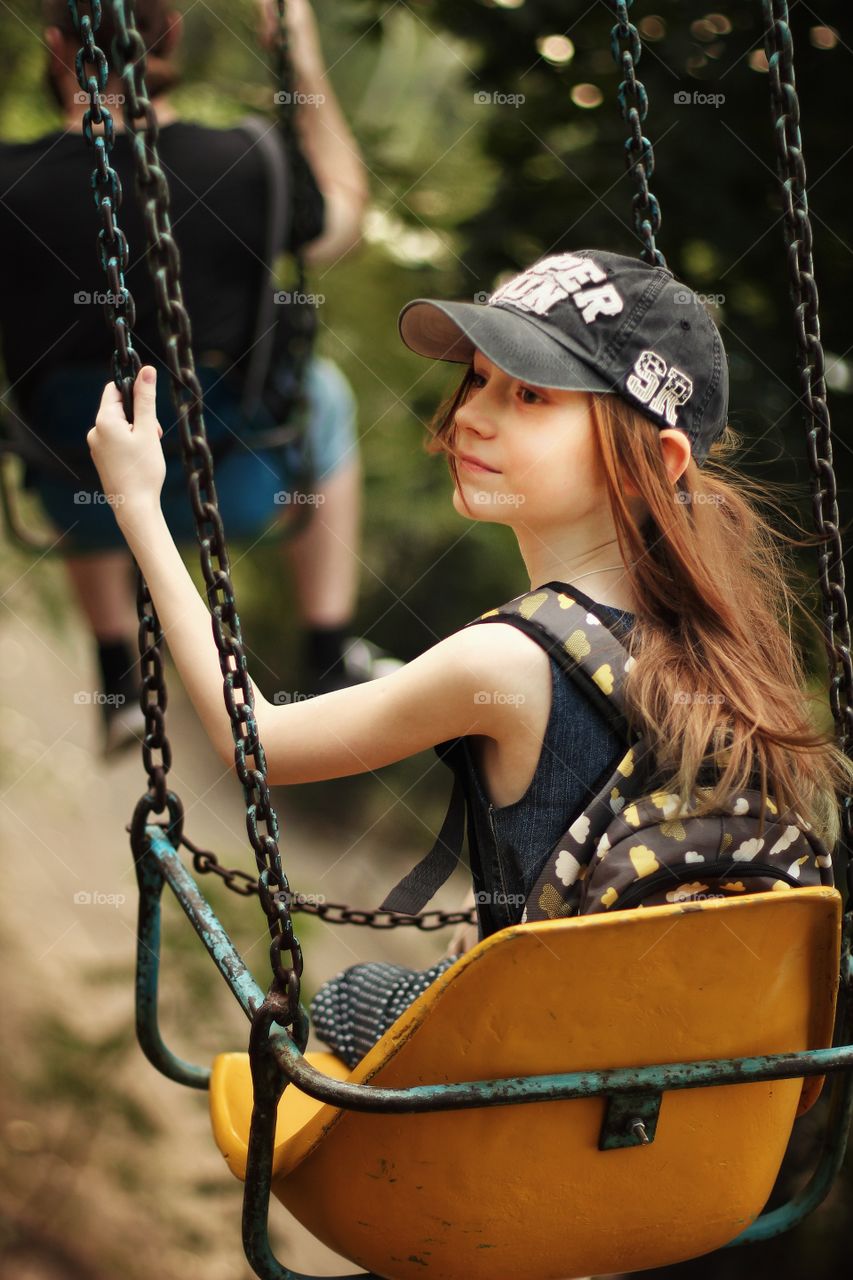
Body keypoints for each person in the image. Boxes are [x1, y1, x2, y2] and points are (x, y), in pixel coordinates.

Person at [85, 249, 853, 1067]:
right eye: (479, 380)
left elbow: (257, 742)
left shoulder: (505, 661)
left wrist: (139, 510)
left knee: (350, 995)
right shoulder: (715, 664)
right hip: (672, 1101)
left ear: (653, 467)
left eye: (530, 395)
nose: (470, 416)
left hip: (525, 1084)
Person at [0, 0, 399, 753]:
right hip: (238, 484)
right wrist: (302, 61)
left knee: (80, 414)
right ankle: (327, 648)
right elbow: (345, 221)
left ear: (55, 46)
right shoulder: (250, 162)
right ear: (172, 37)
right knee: (320, 390)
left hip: (81, 500)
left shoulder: (9, 183)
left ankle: (116, 674)